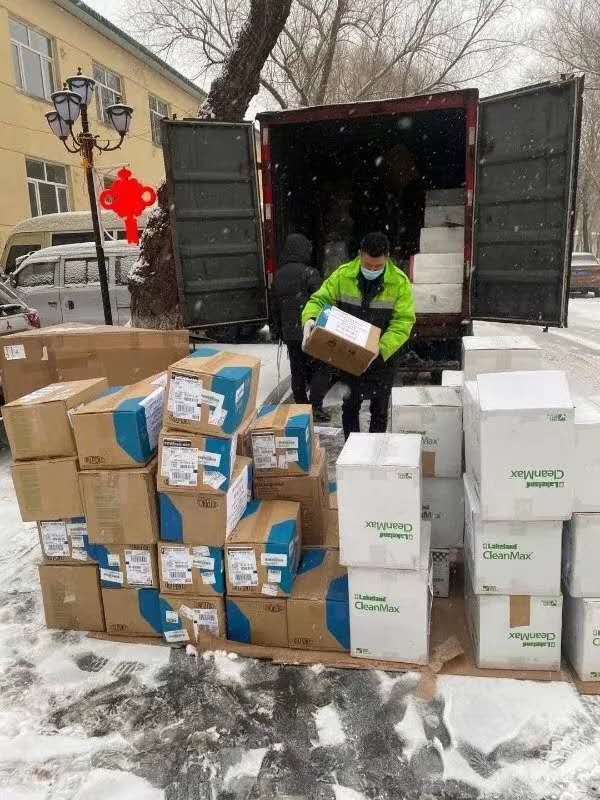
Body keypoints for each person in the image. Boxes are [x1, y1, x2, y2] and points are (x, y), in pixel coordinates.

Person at [301, 231, 415, 438]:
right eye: (368, 265)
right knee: (350, 406)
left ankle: (375, 449)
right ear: (360, 254)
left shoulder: (399, 283)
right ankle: (351, 449)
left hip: (382, 358)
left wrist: (381, 348)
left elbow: (403, 321)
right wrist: (310, 318)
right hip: (350, 356)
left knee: (379, 409)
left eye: (377, 267)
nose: (372, 270)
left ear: (387, 258)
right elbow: (320, 300)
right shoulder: (343, 276)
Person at [270, 233, 331, 422]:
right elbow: (321, 301)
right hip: (309, 329)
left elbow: (274, 306)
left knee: (297, 368)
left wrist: (277, 329)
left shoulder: (278, 276)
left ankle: (301, 406)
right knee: (321, 367)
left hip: (290, 332)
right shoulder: (310, 273)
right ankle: (315, 407)